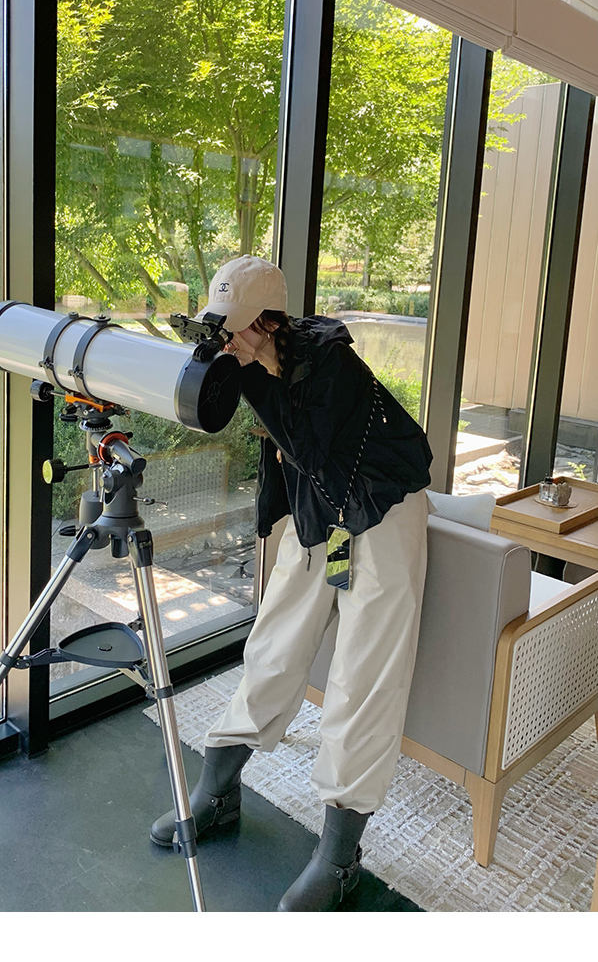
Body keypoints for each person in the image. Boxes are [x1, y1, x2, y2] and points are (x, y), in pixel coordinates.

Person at [151, 255, 434, 912]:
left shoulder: (330, 361)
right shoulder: (255, 361)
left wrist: (247, 376)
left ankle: (338, 859)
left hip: (382, 514)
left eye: (238, 329)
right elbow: (292, 462)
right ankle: (217, 791)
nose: (229, 341)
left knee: (363, 677)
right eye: (221, 328)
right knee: (275, 642)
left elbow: (309, 446)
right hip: (325, 519)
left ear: (270, 322)